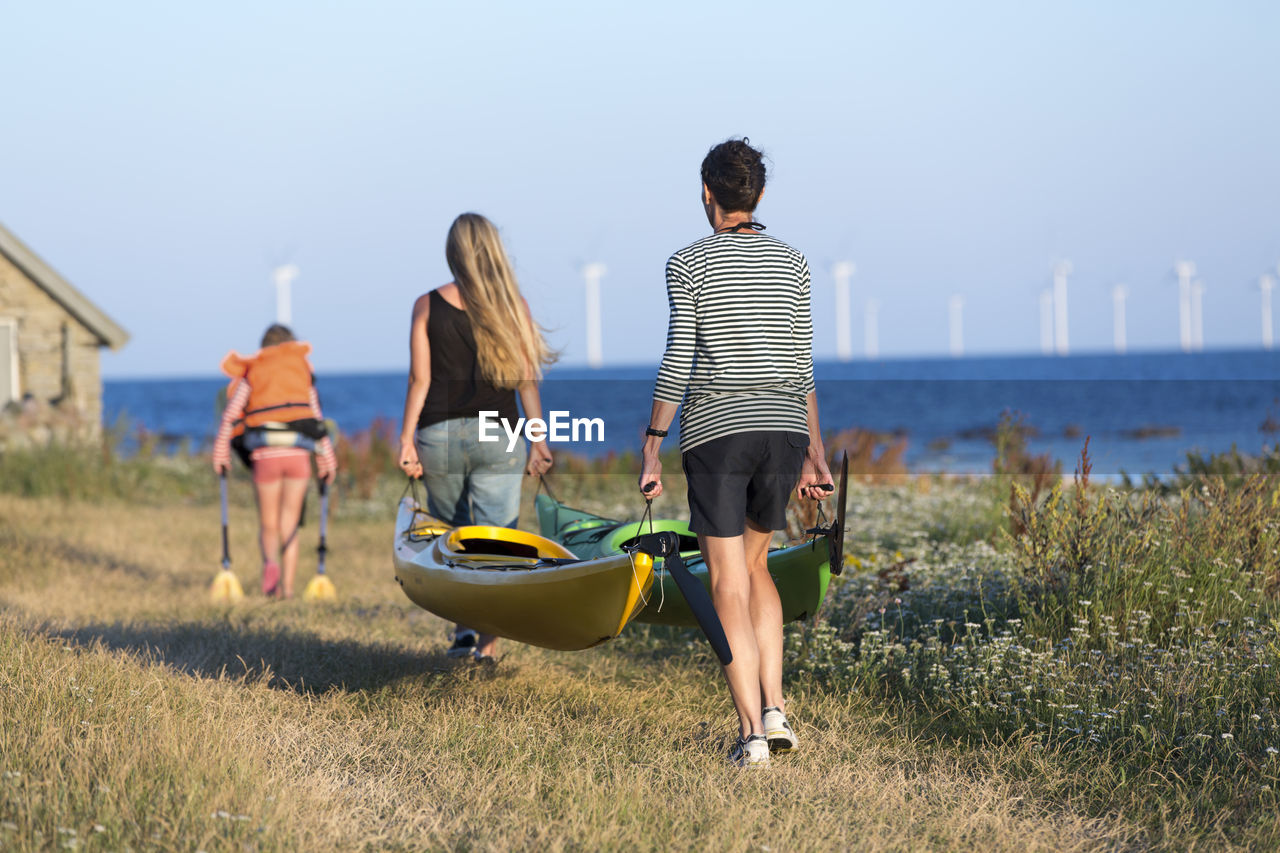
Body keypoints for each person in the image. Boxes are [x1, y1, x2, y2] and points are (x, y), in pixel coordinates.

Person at [638, 139, 833, 768]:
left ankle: (751, 734)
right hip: (784, 434)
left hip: (719, 432)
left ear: (707, 194)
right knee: (757, 570)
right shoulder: (795, 263)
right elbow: (801, 366)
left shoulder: (687, 263)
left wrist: (652, 444)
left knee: (725, 580)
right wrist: (815, 454)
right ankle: (775, 709)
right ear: (761, 195)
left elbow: (679, 358)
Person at [398, 213, 555, 663]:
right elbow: (527, 379)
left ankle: (462, 631)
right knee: (497, 540)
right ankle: (489, 645)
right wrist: (539, 439)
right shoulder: (514, 306)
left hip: (440, 434)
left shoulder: (426, 305)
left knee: (451, 535)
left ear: (453, 252)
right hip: (500, 435)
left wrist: (406, 438)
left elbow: (418, 380)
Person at [213, 324, 338, 599]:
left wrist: (220, 453)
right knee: (289, 524)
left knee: (268, 524)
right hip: (298, 455)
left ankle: (271, 574)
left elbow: (231, 414)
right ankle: (289, 589)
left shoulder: (255, 370)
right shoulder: (301, 370)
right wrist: (328, 461)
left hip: (265, 454)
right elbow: (317, 418)